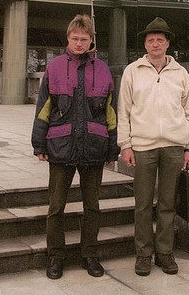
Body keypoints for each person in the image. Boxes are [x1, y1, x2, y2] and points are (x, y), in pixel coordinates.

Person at [31, 14, 119, 280]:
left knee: (92, 207)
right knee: (56, 207)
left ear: (91, 40)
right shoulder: (55, 67)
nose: (79, 43)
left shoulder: (103, 70)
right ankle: (55, 257)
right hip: (61, 147)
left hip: (93, 148)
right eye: (75, 38)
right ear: (68, 38)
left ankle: (89, 255)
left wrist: (112, 148)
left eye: (84, 39)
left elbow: (110, 112)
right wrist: (39, 143)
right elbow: (44, 108)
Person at [118, 17, 189, 277]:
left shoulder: (180, 73)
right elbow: (124, 112)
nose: (155, 44)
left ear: (167, 44)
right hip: (143, 147)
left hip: (174, 147)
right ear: (145, 43)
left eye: (160, 40)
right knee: (142, 204)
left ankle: (164, 253)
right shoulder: (133, 71)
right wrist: (126, 145)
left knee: (167, 204)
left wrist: (188, 147)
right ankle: (143, 254)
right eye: (151, 40)